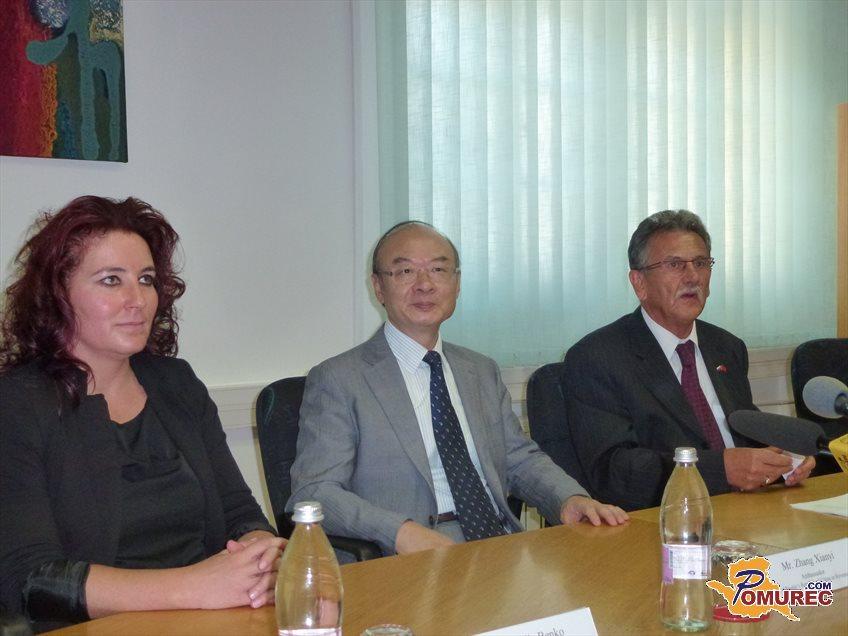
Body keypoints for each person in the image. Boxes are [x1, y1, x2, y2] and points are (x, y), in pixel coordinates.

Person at [0, 196, 284, 631]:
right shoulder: (18, 404)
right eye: (111, 280)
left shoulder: (176, 383)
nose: (138, 300)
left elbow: (238, 511)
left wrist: (260, 555)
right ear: (58, 294)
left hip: (215, 619)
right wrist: (192, 587)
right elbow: (32, 579)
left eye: (146, 279)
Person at [289, 221, 627, 558]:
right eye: (405, 271)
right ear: (378, 287)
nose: (424, 285)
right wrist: (399, 532)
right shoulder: (340, 379)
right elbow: (315, 492)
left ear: (457, 283)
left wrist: (569, 498)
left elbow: (518, 459)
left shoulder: (479, 370)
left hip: (500, 542)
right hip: (407, 557)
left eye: (438, 269)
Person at [561, 210, 815, 511]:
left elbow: (744, 433)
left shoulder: (727, 347)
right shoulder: (597, 358)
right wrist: (719, 470)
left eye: (701, 263)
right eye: (675, 264)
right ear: (639, 282)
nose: (693, 277)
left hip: (746, 510)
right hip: (662, 520)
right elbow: (615, 472)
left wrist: (784, 458)